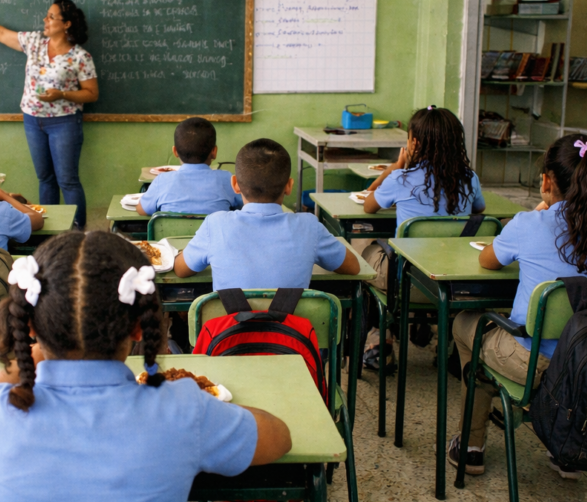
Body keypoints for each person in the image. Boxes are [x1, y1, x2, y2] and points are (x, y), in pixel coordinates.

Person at [0, 230, 292, 502]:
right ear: (140, 326)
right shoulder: (185, 410)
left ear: (30, 325)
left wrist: (25, 359)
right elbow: (280, 438)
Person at [449, 134, 587, 478]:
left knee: (465, 324)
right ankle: (567, 449)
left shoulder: (529, 224)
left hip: (534, 362)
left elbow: (490, 260)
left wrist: (539, 212)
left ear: (548, 181)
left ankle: (472, 445)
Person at [0, 0, 98, 228]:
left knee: (68, 180)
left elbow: (91, 93)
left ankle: (77, 233)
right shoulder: (35, 42)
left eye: (51, 17)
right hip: (32, 120)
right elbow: (1, 34)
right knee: (45, 179)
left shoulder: (80, 57)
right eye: (47, 15)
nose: (45, 20)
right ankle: (50, 231)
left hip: (64, 122)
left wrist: (62, 94)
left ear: (67, 24)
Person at [359, 106, 485, 369]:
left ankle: (381, 341)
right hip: (452, 281)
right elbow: (479, 210)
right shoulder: (469, 178)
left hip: (407, 282)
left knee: (365, 250)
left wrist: (396, 166)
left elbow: (369, 205)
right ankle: (446, 344)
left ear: (414, 143)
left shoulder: (401, 179)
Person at [174, 139, 360, 288]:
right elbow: (354, 267)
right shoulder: (309, 226)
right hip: (290, 333)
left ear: (235, 184)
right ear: (289, 186)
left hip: (230, 333)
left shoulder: (215, 224)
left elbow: (181, 270)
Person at [137, 117, 242, 216]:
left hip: (172, 235)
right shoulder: (228, 180)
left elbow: (142, 210)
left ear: (175, 152)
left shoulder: (162, 180)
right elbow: (245, 204)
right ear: (214, 152)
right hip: (214, 235)